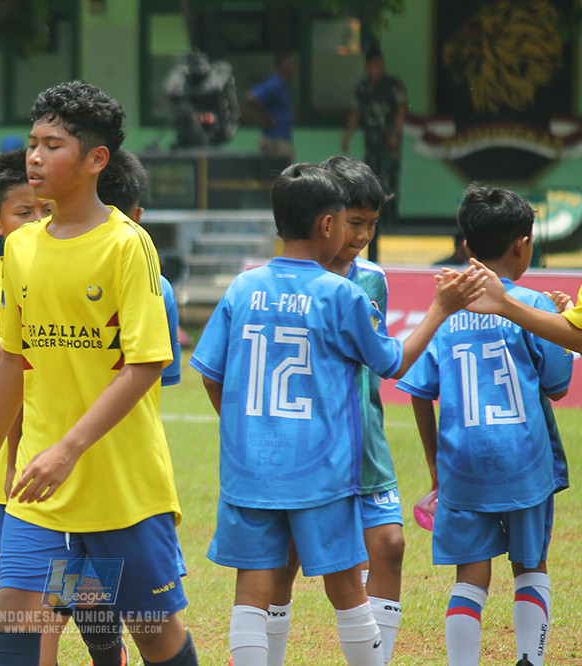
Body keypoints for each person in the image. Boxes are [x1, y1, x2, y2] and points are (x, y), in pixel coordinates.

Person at [189, 163, 484, 666]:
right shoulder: (341, 293)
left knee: (252, 591)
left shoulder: (243, 288)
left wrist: (247, 432)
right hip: (321, 470)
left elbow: (210, 372)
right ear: (328, 225)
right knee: (347, 588)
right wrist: (438, 308)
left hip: (251, 470)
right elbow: (391, 361)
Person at [0, 80, 199, 666]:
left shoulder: (128, 245)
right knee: (15, 633)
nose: (35, 158)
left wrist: (68, 450)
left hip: (122, 488)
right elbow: (15, 362)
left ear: (96, 160)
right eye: (33, 144)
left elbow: (145, 366)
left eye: (54, 145)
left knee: (155, 636)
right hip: (38, 493)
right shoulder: (21, 250)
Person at [396, 185, 573, 666]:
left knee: (469, 578)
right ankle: (529, 661)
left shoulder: (446, 311)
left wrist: (435, 466)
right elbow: (557, 387)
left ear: (467, 247)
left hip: (462, 464)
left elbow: (418, 391)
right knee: (530, 567)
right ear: (524, 243)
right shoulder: (532, 305)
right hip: (525, 462)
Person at [261, 156, 405, 665]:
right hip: (303, 446)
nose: (362, 234)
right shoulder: (285, 283)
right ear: (327, 217)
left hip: (363, 441)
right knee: (283, 564)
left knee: (388, 544)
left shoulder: (373, 281)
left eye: (371, 224)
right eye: (354, 222)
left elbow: (377, 362)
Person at [0, 148, 64, 664]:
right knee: (24, 605)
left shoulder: (74, 273)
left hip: (66, 466)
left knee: (73, 603)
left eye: (46, 210)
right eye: (25, 213)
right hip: (6, 476)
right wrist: (40, 325)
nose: (37, 222)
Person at [96, 148, 182, 387]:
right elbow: (162, 374)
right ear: (137, 216)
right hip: (132, 422)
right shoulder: (160, 286)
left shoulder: (45, 266)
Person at [340, 49, 407, 263]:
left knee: (390, 179)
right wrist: (347, 136)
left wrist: (395, 133)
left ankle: (390, 220)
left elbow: (401, 109)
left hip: (389, 141)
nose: (378, 68)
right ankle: (374, 219)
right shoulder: (363, 87)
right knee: (371, 180)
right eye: (374, 64)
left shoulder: (392, 85)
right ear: (368, 66)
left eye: (380, 64)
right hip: (372, 142)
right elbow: (356, 111)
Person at [245, 53, 298, 162]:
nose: (295, 67)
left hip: (282, 138)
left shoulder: (284, 85)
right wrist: (267, 117)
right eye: (292, 64)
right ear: (283, 66)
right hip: (275, 140)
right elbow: (251, 97)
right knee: (285, 175)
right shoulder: (276, 83)